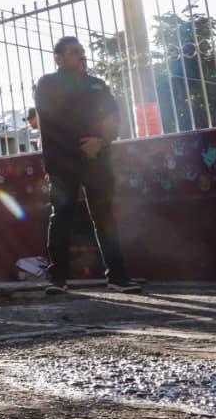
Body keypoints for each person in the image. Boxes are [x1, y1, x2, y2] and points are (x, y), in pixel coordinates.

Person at [34, 36, 140, 294]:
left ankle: (118, 277)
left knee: (105, 217)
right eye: (74, 52)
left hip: (97, 161)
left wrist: (101, 141)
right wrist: (81, 145)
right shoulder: (48, 84)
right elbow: (51, 122)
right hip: (63, 162)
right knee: (62, 217)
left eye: (82, 51)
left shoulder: (98, 85)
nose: (81, 56)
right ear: (58, 58)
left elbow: (114, 117)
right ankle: (57, 279)